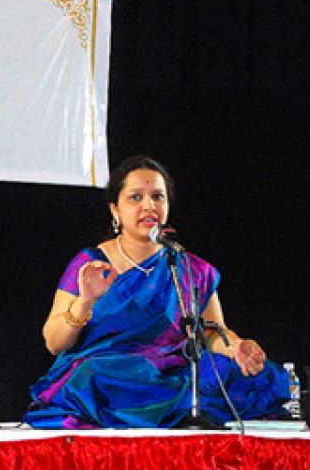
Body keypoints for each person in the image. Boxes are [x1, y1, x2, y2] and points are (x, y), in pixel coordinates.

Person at [25, 155, 287, 428]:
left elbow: (210, 333)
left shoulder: (187, 266)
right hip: (112, 372)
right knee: (91, 375)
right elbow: (54, 343)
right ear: (115, 209)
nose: (149, 206)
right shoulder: (91, 264)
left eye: (158, 197)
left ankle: (169, 412)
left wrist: (236, 348)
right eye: (136, 197)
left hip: (170, 371)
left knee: (245, 373)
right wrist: (85, 303)